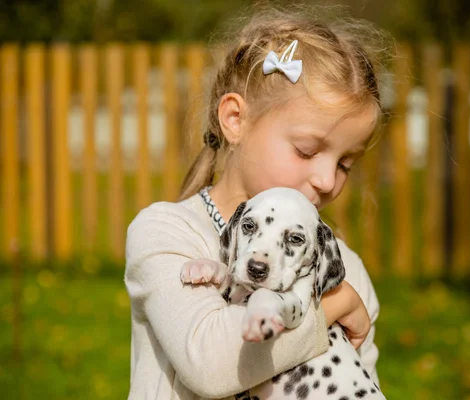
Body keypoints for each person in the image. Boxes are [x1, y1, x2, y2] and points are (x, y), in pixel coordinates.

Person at [125, 5, 388, 399]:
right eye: (306, 151)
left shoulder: (346, 268)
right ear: (235, 119)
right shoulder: (169, 233)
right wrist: (331, 308)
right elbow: (211, 365)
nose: (327, 179)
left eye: (346, 164)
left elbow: (357, 386)